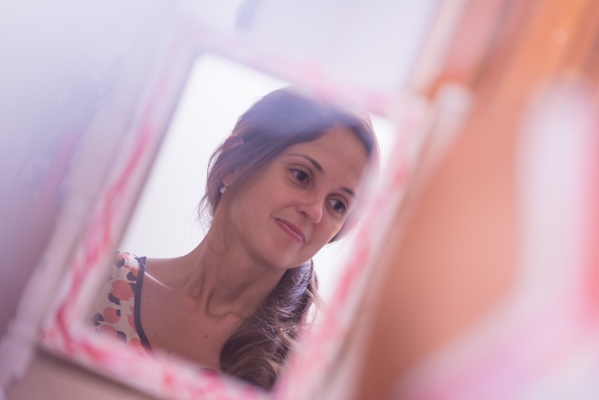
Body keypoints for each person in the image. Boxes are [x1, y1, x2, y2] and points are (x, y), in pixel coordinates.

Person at [91, 87, 377, 389]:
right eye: (301, 176)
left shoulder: (312, 371)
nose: (316, 211)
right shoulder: (97, 280)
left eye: (337, 205)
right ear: (233, 163)